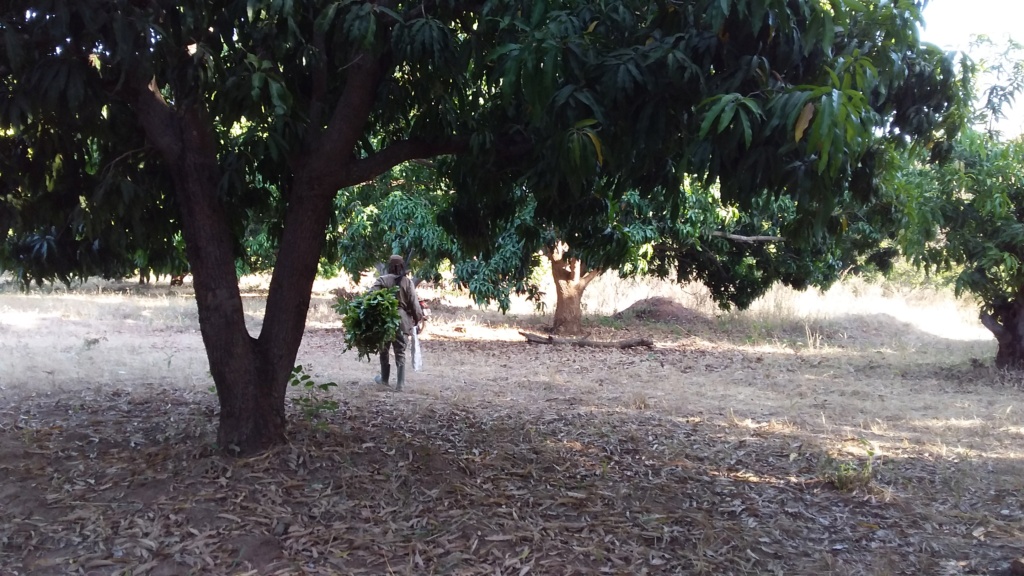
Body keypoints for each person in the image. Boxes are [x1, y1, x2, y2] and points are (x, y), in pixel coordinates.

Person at [370, 255, 424, 391]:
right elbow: (414, 304)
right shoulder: (408, 282)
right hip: (402, 320)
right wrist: (418, 319)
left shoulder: (382, 280)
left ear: (389, 266)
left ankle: (384, 379)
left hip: (385, 318)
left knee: (384, 350)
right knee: (400, 351)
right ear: (402, 267)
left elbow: (370, 297)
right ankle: (400, 384)